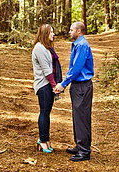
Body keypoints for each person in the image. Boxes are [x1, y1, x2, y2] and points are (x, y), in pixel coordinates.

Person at [54, 21, 94, 162]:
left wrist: (63, 84)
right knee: (78, 117)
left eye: (72, 30)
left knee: (82, 118)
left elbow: (77, 68)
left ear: (79, 31)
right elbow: (73, 68)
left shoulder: (82, 45)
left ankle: (84, 151)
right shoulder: (78, 44)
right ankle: (80, 145)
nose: (69, 32)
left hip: (82, 86)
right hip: (78, 86)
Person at [31, 24, 62, 153]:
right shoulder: (39, 48)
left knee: (47, 113)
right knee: (44, 112)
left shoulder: (47, 48)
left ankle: (45, 139)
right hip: (43, 85)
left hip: (48, 85)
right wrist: (55, 85)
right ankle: (42, 141)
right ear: (45, 34)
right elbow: (46, 70)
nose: (53, 35)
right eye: (51, 32)